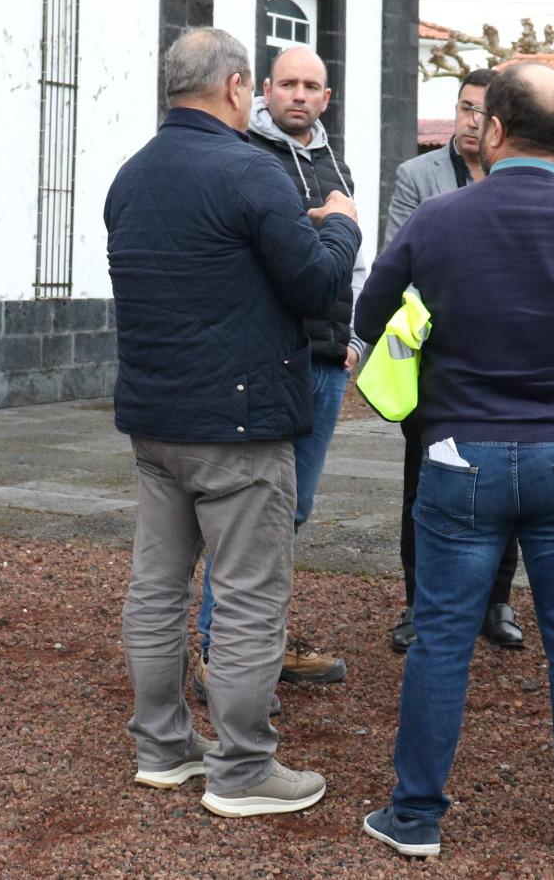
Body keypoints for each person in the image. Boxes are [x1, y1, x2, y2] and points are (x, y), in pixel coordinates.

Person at [354, 63, 554, 862]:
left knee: (440, 638)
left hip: (460, 453)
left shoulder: (439, 219)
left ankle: (415, 815)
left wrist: (427, 416)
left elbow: (370, 315)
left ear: (493, 130)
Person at [106, 27, 360, 817]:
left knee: (155, 587)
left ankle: (163, 748)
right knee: (249, 595)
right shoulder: (252, 173)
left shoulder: (130, 177)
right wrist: (341, 223)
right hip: (240, 425)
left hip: (155, 421)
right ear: (236, 87)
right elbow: (318, 287)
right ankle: (243, 770)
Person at [191, 46, 357, 696]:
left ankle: (266, 641)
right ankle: (215, 651)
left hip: (326, 359)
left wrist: (352, 337)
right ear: (263, 88)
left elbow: (351, 258)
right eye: (287, 83)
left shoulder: (331, 157)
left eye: (310, 85)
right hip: (265, 362)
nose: (298, 95)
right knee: (247, 513)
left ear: (326, 96)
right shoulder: (245, 155)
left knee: (293, 511)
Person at [384, 68, 525, 653]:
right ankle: (420, 604)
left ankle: (496, 601)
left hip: (505, 362)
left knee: (509, 483)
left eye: (482, 111)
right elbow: (400, 261)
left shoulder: (519, 177)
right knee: (423, 483)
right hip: (434, 362)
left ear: (500, 123)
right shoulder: (417, 176)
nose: (471, 121)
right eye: (464, 108)